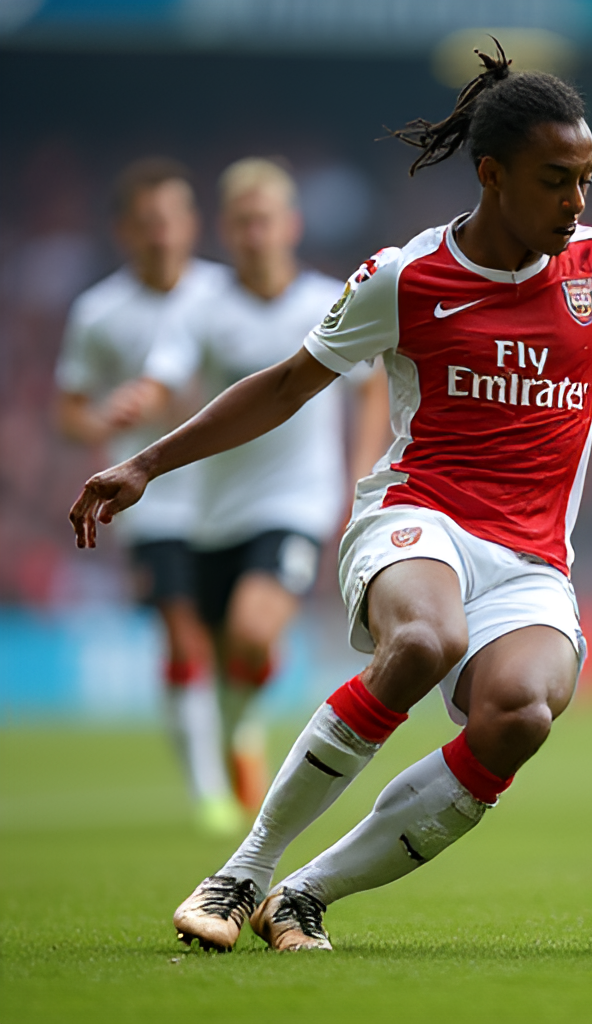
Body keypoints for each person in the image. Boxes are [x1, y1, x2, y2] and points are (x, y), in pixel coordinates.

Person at [69, 44, 592, 952]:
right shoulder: (406, 277)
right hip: (416, 518)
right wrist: (146, 464)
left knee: (522, 714)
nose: (578, 202)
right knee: (426, 640)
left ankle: (304, 894)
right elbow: (284, 384)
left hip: (533, 560)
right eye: (556, 181)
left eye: (587, 178)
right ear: (493, 174)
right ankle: (242, 874)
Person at [122, 157, 391, 812]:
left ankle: (238, 728)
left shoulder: (327, 302)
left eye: (264, 221)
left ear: (290, 226)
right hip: (214, 512)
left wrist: (360, 468)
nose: (254, 235)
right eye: (242, 223)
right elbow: (167, 370)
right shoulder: (201, 310)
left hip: (297, 501)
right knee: (225, 655)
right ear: (226, 229)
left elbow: (372, 382)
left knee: (250, 629)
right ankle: (237, 725)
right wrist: (143, 397)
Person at [54, 157, 239, 834]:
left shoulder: (224, 294)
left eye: (172, 219)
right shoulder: (99, 312)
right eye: (147, 223)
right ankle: (210, 791)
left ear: (192, 223)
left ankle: (233, 741)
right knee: (183, 635)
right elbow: (68, 411)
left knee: (235, 643)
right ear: (124, 231)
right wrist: (103, 421)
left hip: (226, 493)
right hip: (149, 503)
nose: (162, 234)